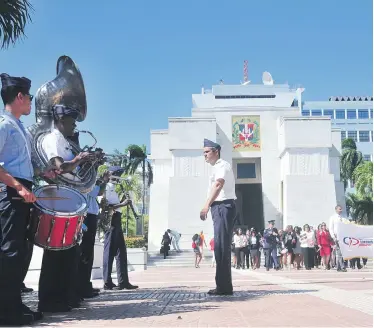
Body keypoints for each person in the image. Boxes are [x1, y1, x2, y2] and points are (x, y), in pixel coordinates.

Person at [0, 74, 55, 325]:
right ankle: (7, 312)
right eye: (29, 97)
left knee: (21, 252)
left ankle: (14, 305)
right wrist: (19, 187)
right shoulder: (3, 125)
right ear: (19, 97)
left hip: (23, 191)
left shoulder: (18, 126)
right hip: (11, 194)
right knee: (10, 253)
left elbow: (21, 165)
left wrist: (42, 173)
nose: (31, 101)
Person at [38, 104, 95, 312]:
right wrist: (78, 159)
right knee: (56, 251)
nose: (74, 127)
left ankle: (63, 297)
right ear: (61, 121)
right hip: (58, 197)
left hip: (69, 198)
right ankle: (49, 299)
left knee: (68, 251)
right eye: (72, 123)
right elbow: (59, 166)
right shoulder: (52, 139)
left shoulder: (65, 140)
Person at [200, 138, 236, 295]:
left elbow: (218, 184)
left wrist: (206, 205)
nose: (205, 155)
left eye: (207, 152)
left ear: (216, 151)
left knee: (221, 247)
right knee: (220, 247)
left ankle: (224, 286)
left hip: (223, 206)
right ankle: (223, 285)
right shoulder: (216, 167)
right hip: (220, 207)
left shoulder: (222, 165)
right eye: (204, 153)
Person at [102, 168, 138, 290]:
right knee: (109, 251)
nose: (119, 177)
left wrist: (123, 201)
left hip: (117, 218)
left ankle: (123, 281)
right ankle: (107, 281)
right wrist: (122, 204)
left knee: (121, 251)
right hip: (111, 219)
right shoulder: (107, 187)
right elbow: (106, 206)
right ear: (111, 175)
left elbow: (115, 205)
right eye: (117, 174)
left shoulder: (113, 188)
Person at [78, 173, 109, 298]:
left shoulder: (89, 179)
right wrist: (104, 181)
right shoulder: (86, 178)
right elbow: (99, 192)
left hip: (91, 215)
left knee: (88, 254)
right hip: (86, 216)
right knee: (85, 254)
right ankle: (82, 287)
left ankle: (85, 285)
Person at [328, 205, 348, 272]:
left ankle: (339, 267)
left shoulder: (343, 218)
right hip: (337, 237)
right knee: (340, 252)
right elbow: (331, 228)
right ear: (336, 209)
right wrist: (333, 236)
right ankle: (342, 267)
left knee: (341, 252)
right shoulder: (333, 218)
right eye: (339, 209)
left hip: (343, 237)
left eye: (341, 209)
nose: (341, 210)